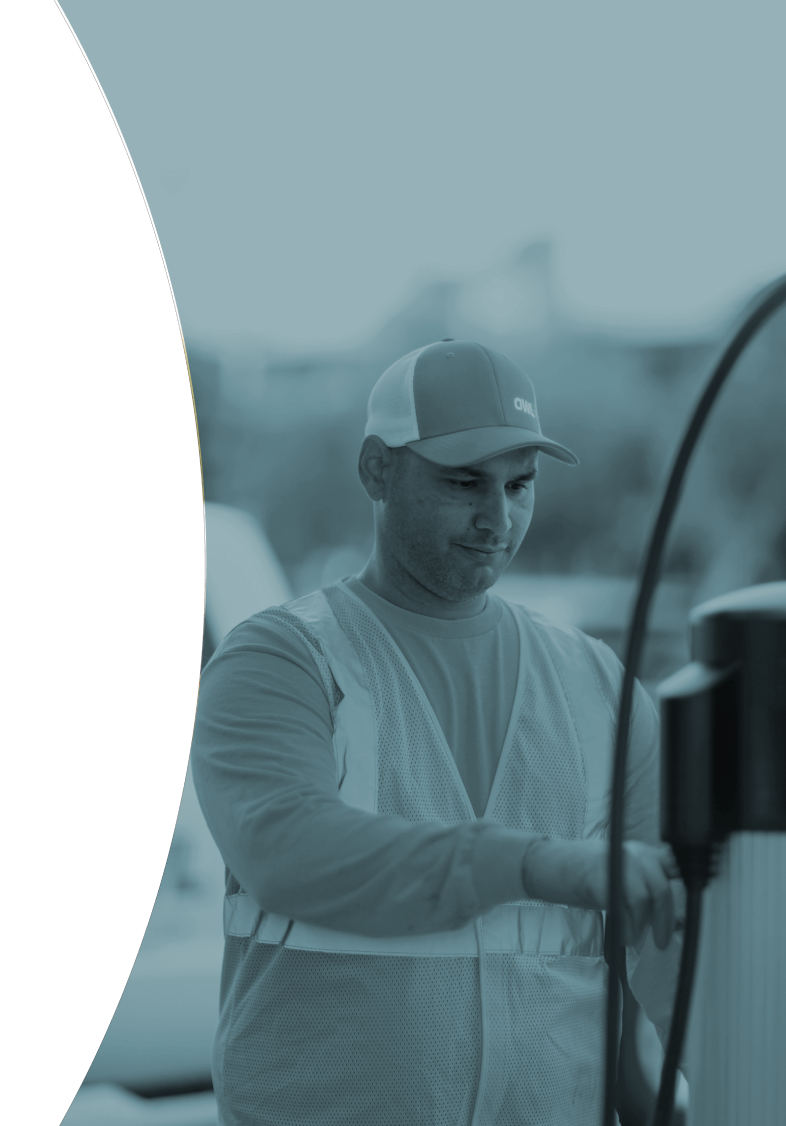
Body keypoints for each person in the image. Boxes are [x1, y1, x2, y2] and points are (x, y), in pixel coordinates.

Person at [191, 339, 685, 1126]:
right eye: (465, 483)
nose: (498, 519)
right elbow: (287, 851)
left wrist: (687, 1094)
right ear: (376, 470)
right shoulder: (280, 659)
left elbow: (662, 943)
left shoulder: (595, 684)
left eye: (520, 486)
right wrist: (535, 864)